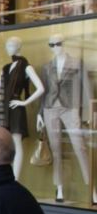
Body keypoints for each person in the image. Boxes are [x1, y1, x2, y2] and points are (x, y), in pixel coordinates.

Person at [36, 33, 92, 202]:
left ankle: (91, 185)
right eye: (51, 45)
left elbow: (85, 88)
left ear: (64, 44)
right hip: (50, 108)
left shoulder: (76, 63)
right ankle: (59, 188)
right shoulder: (47, 67)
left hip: (70, 108)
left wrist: (87, 113)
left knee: (79, 146)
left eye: (58, 44)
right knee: (56, 149)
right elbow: (44, 92)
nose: (55, 48)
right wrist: (39, 114)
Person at [0, 36, 44, 179]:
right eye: (7, 45)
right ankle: (3, 177)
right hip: (3, 108)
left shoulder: (26, 66)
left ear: (18, 47)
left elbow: (40, 88)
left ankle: (15, 179)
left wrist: (24, 102)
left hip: (15, 108)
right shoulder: (6, 68)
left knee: (16, 144)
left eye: (11, 45)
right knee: (2, 144)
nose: (8, 48)